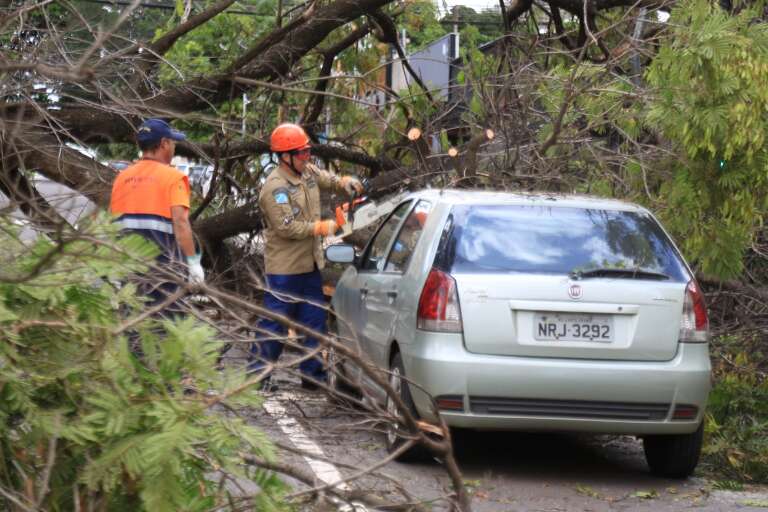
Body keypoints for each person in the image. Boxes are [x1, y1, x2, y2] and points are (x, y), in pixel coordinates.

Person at [252, 123, 363, 390]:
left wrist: (344, 182)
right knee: (275, 325)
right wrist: (321, 228)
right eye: (301, 153)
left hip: (309, 266)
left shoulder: (307, 172)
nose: (307, 157)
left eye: (307, 151)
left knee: (314, 323)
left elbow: (328, 179)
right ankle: (257, 376)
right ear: (286, 156)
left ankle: (313, 376)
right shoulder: (275, 188)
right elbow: (286, 228)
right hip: (284, 270)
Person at [110, 118, 204, 315]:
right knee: (166, 329)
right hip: (165, 271)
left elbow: (113, 226)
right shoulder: (173, 178)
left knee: (135, 327)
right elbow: (180, 223)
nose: (174, 148)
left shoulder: (122, 178)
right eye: (173, 143)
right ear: (164, 144)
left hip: (130, 268)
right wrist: (193, 263)